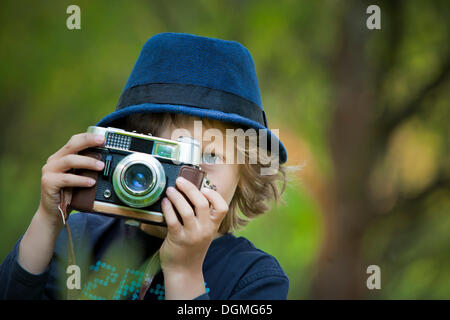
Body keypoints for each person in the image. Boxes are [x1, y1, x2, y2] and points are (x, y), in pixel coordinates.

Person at [0, 32, 289, 300]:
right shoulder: (78, 234)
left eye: (210, 156)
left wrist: (184, 272)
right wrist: (47, 220)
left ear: (247, 173)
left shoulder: (255, 278)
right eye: (156, 154)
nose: (184, 176)